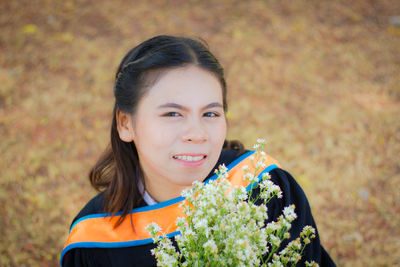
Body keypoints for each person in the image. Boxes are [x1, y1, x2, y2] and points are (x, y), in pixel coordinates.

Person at [61, 35, 335, 266]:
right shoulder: (94, 239)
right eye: (172, 114)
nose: (197, 134)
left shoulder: (263, 189)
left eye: (211, 114)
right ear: (126, 123)